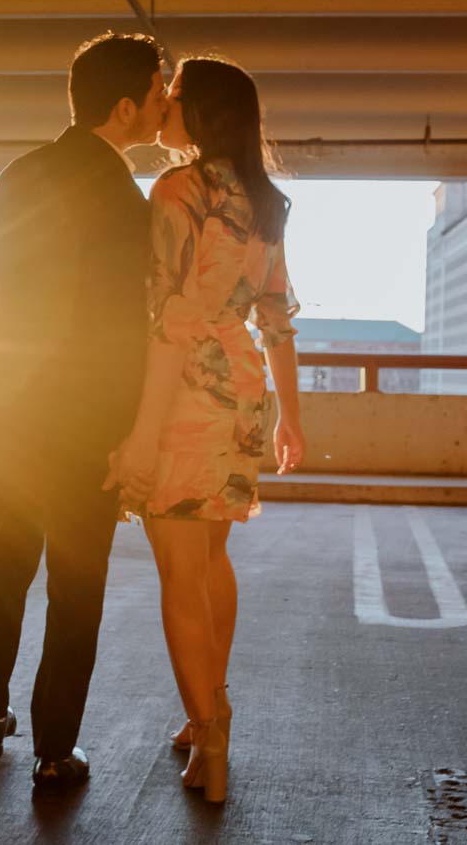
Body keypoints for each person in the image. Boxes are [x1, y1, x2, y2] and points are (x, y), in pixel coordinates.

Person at [0, 31, 166, 790]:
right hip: (82, 417)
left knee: (5, 553)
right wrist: (125, 429)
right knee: (76, 581)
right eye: (156, 92)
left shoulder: (14, 177)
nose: (162, 103)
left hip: (8, 404)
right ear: (123, 107)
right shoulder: (124, 200)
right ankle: (54, 748)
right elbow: (121, 326)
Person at [106, 56, 306, 804]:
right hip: (242, 392)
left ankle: (210, 733)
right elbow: (276, 318)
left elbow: (167, 325)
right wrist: (292, 417)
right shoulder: (263, 202)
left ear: (205, 110)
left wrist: (140, 433)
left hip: (186, 393)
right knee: (212, 558)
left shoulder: (175, 191)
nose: (167, 103)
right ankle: (208, 710)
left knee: (177, 573)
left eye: (177, 94)